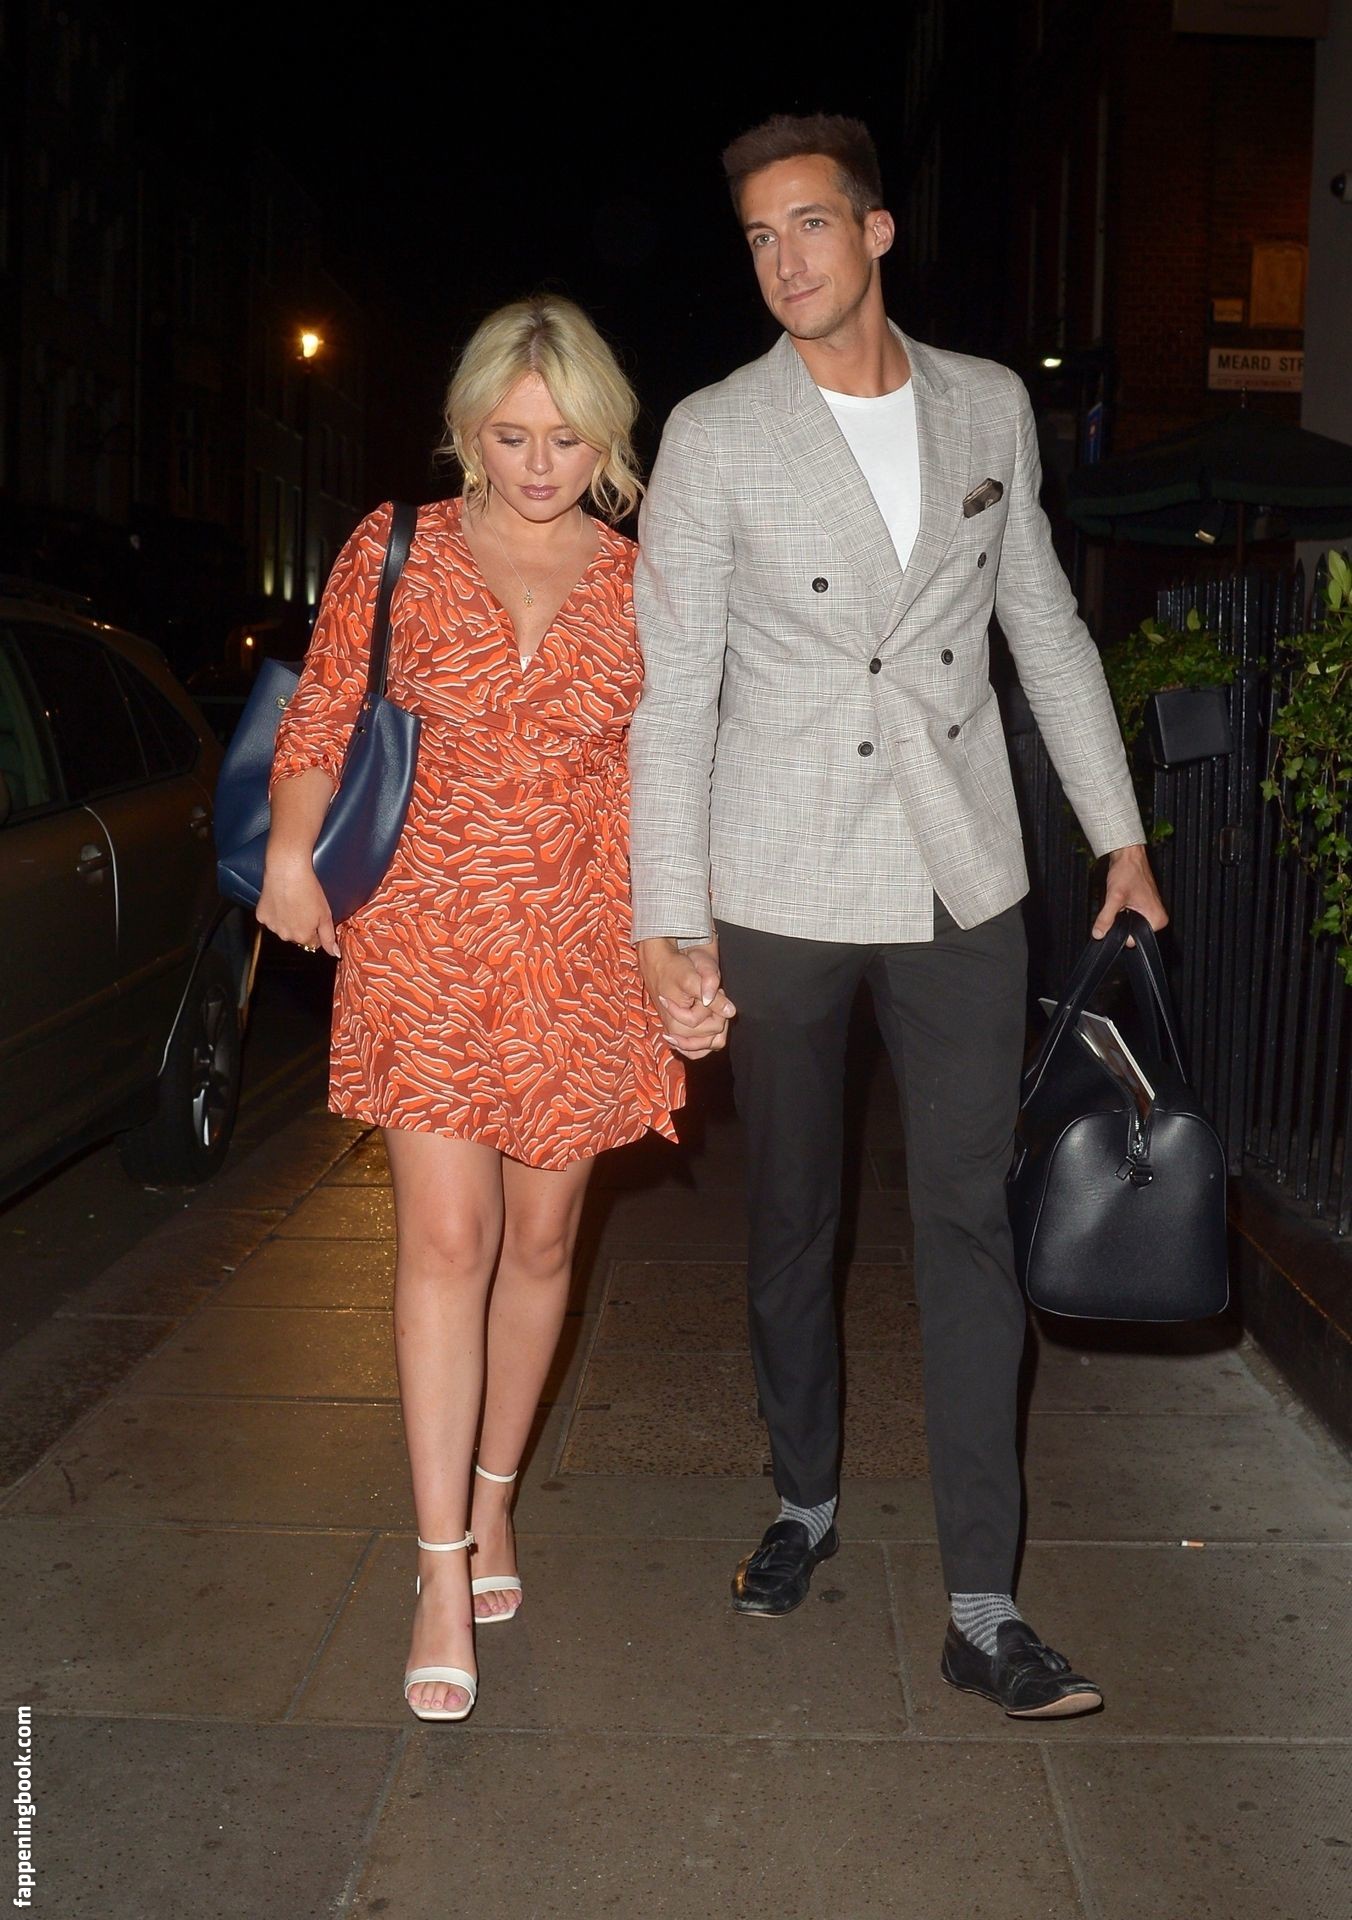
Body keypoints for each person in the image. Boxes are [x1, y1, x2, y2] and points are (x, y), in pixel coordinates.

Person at [629, 113, 1166, 1718]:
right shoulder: (716, 433)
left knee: (969, 1221)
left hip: (955, 871)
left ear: (874, 233)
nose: (783, 260)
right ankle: (803, 1497)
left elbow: (1043, 626)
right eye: (757, 238)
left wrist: (1120, 834)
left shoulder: (986, 402)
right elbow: (674, 694)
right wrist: (669, 919)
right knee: (794, 1215)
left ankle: (984, 1602)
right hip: (779, 873)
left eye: (809, 225)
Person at [258, 295, 684, 1724]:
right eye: (511, 436)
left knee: (544, 1242)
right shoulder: (397, 549)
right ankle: (439, 1565)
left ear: (608, 439)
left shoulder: (646, 578)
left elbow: (677, 776)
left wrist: (679, 945)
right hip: (427, 940)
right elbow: (321, 716)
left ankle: (497, 1499)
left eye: (569, 439)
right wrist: (288, 853)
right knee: (448, 1241)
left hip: (583, 949)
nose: (540, 465)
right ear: (465, 430)